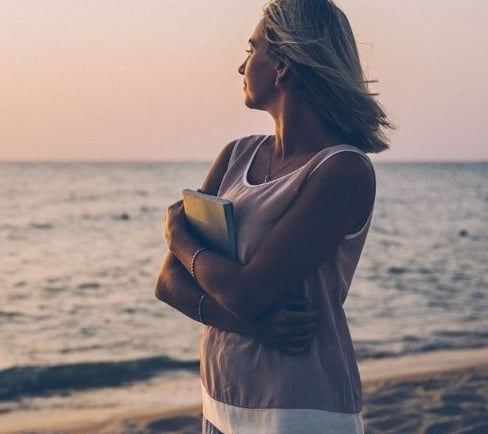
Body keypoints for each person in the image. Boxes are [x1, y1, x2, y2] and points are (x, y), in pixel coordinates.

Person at [154, 0, 392, 432]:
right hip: (222, 398)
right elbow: (168, 283)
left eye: (252, 48)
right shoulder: (235, 155)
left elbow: (247, 293)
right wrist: (254, 326)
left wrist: (179, 237)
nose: (242, 66)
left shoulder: (342, 170)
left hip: (299, 407)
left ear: (281, 63)